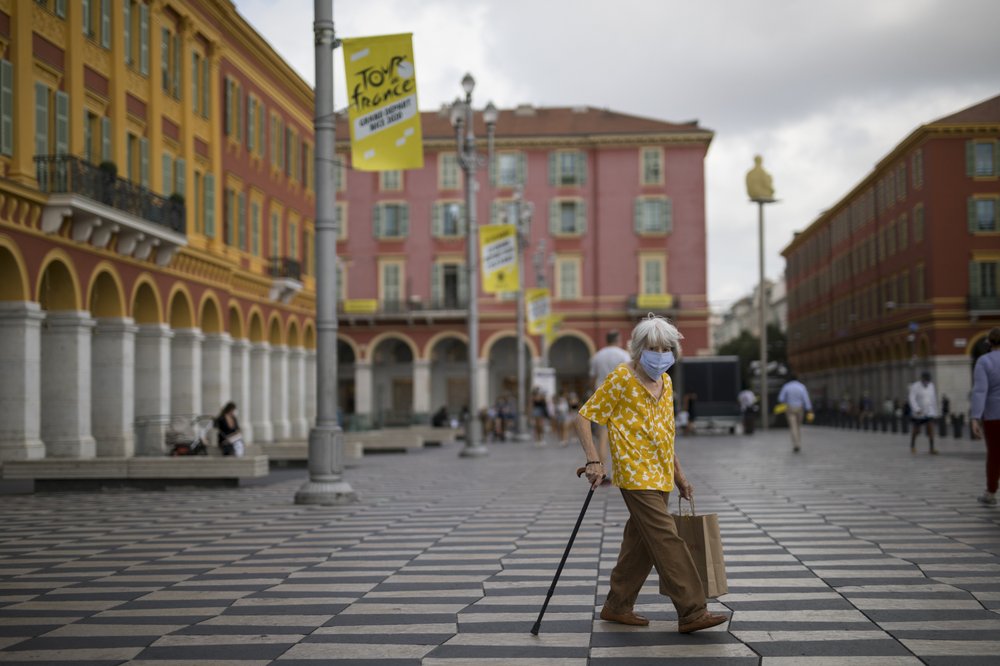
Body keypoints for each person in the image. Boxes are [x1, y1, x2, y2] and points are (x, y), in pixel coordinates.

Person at [574, 315, 729, 634]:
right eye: (652, 347)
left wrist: (680, 477)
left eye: (665, 348)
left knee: (640, 542)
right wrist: (594, 460)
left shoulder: (666, 382)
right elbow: (585, 416)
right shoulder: (622, 377)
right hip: (634, 473)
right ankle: (692, 609)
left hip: (660, 475)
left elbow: (665, 434)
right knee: (666, 537)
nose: (659, 354)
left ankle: (617, 605)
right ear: (638, 348)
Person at [589, 330, 631, 467]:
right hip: (621, 397)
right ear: (619, 340)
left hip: (602, 396)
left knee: (602, 435)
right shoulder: (624, 355)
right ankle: (624, 468)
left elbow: (592, 378)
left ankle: (602, 470)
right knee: (623, 435)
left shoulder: (597, 356)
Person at [971, 328, 1000, 506]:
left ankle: (990, 492)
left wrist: (975, 417)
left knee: (995, 454)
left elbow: (980, 391)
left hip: (993, 416)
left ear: (989, 343)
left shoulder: (984, 361)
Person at [777, 374, 813, 453]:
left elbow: (781, 398)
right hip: (800, 408)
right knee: (798, 426)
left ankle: (795, 444)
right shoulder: (801, 386)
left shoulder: (786, 386)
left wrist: (786, 401)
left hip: (790, 408)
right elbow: (806, 398)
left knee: (793, 427)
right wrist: (809, 408)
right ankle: (798, 443)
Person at [908, 371, 938, 454]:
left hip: (929, 412)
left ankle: (931, 448)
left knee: (931, 429)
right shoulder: (915, 386)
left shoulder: (931, 386)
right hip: (919, 413)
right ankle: (912, 445)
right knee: (916, 430)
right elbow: (912, 398)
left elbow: (933, 399)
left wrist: (935, 412)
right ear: (922, 379)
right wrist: (916, 409)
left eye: (928, 380)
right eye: (925, 380)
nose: (927, 382)